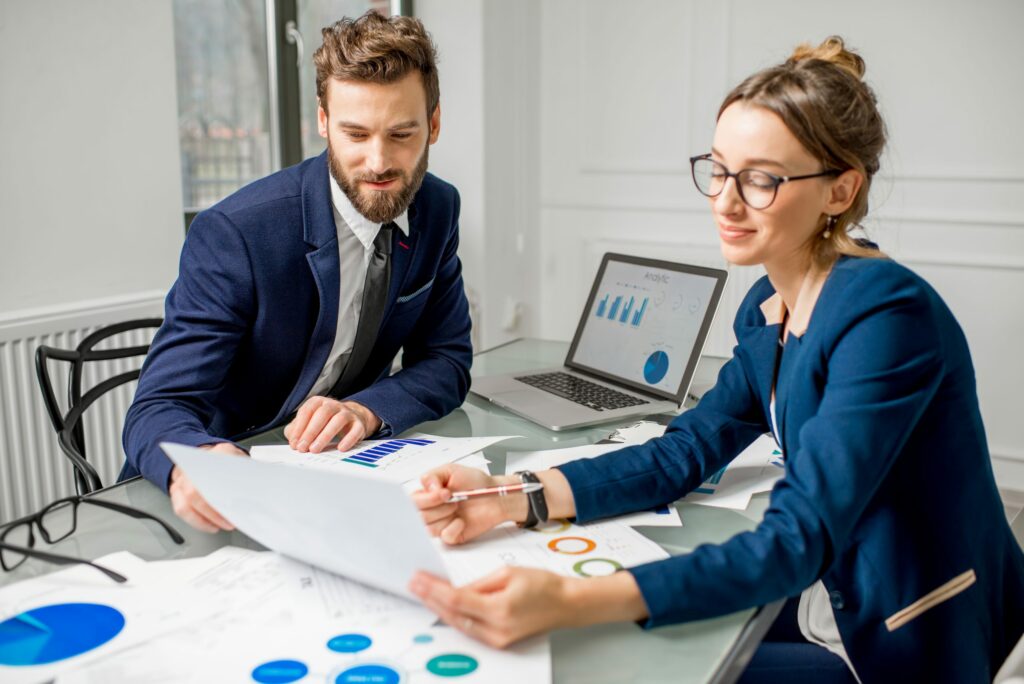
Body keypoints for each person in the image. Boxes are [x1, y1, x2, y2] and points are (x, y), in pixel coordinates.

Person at [410, 37, 1024, 683]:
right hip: (828, 587)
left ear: (840, 190)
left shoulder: (889, 316)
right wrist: (512, 497)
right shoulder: (767, 305)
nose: (726, 202)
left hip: (904, 631)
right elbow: (682, 454)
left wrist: (569, 601)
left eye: (762, 179)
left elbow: (796, 539)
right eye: (721, 169)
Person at [122, 12, 472, 534]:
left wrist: (366, 410)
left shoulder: (437, 208)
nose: (378, 162)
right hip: (219, 493)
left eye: (402, 134)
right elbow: (159, 405)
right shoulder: (238, 232)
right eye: (355, 133)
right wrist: (194, 463)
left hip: (340, 478)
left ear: (435, 124)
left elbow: (446, 359)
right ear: (324, 122)